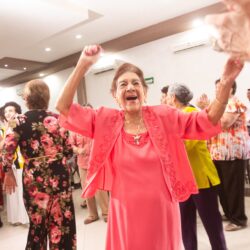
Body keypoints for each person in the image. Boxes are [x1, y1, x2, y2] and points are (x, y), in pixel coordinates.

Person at [56, 44, 243, 250]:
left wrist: (225, 83)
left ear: (144, 92)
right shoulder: (105, 120)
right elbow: (63, 108)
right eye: (123, 84)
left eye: (136, 83)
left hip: (162, 211)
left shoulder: (165, 116)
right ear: (114, 95)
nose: (130, 87)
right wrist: (82, 65)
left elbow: (206, 120)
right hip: (125, 214)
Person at [2, 80, 76, 249]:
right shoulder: (58, 119)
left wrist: (8, 172)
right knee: (62, 222)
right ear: (47, 97)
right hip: (60, 175)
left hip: (35, 180)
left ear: (27, 98)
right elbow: (69, 150)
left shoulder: (18, 120)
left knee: (38, 225)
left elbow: (7, 150)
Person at [165, 84, 227, 250]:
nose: (164, 100)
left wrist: (164, 148)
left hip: (200, 179)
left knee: (211, 223)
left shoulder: (190, 114)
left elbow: (186, 146)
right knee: (186, 223)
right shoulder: (177, 116)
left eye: (166, 97)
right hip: (185, 180)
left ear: (173, 98)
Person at [208, 79, 249, 231]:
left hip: (233, 152)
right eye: (216, 86)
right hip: (218, 152)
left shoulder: (234, 103)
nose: (217, 89)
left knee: (233, 187)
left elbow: (224, 123)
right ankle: (229, 213)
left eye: (221, 87)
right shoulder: (218, 104)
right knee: (222, 187)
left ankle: (238, 219)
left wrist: (207, 111)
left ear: (230, 88)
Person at [69, 104, 109, 224]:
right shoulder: (75, 128)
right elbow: (71, 144)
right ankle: (92, 215)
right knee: (87, 188)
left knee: (100, 188)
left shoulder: (98, 126)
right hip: (83, 163)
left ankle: (106, 213)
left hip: (98, 162)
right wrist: (77, 150)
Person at [0, 102, 29, 226]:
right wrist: (7, 131)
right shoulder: (2, 130)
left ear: (17, 111)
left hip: (22, 163)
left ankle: (27, 218)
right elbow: (2, 147)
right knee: (13, 193)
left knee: (23, 191)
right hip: (9, 164)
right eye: (6, 111)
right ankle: (16, 218)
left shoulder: (21, 125)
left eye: (11, 110)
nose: (8, 113)